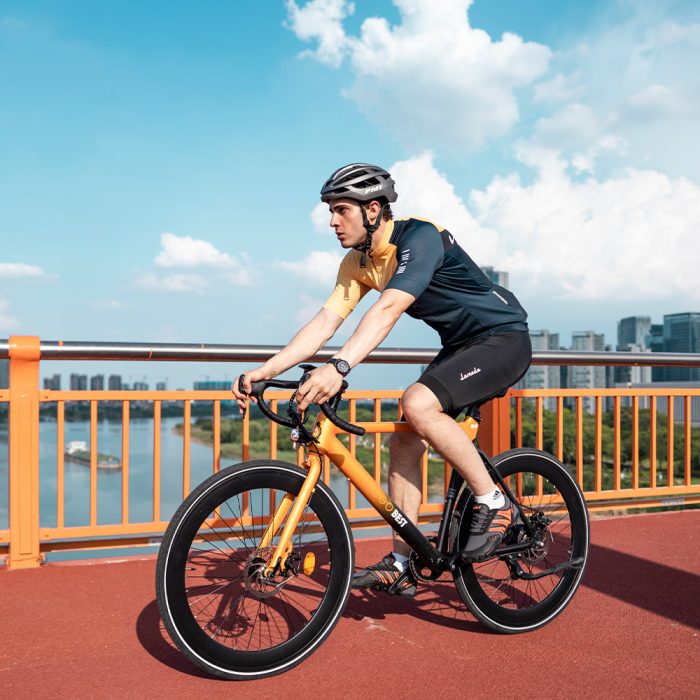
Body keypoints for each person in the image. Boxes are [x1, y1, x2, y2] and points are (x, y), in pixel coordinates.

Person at [234, 163, 532, 598]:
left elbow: (388, 309)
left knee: (417, 403)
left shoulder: (420, 237)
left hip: (503, 338)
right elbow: (323, 323)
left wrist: (338, 368)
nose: (332, 222)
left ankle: (493, 501)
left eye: (341, 210)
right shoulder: (356, 262)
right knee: (405, 438)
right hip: (462, 346)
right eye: (330, 212)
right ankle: (403, 560)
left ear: (373, 209)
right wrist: (265, 370)